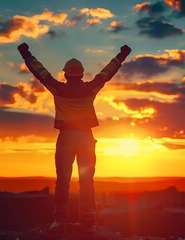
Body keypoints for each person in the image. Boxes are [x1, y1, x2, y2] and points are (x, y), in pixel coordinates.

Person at [18, 43, 131, 234]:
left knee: (63, 181)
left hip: (66, 139)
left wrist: (26, 54)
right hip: (86, 138)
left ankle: (59, 221)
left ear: (65, 75)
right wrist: (121, 56)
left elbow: (40, 72)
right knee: (87, 181)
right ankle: (89, 221)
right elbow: (107, 72)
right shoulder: (91, 88)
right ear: (81, 74)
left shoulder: (57, 89)